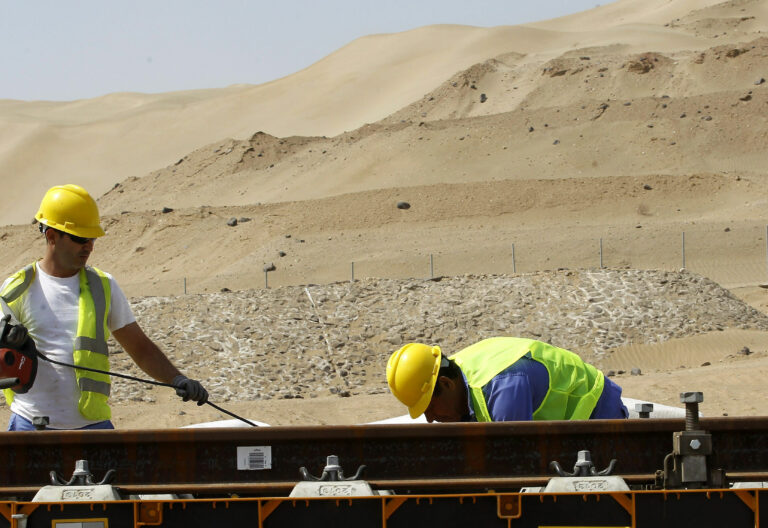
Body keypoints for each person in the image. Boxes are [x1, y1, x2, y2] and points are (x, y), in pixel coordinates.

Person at [0, 184, 208, 431]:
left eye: (92, 238)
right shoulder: (16, 290)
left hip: (92, 426)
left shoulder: (103, 286)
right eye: (79, 238)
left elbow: (140, 347)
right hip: (30, 424)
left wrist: (177, 379)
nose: (88, 246)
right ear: (51, 236)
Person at [386, 337, 628, 423]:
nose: (429, 419)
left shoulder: (503, 388)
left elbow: (515, 472)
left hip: (596, 411)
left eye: (428, 406)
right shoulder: (457, 373)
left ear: (447, 384)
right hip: (565, 431)